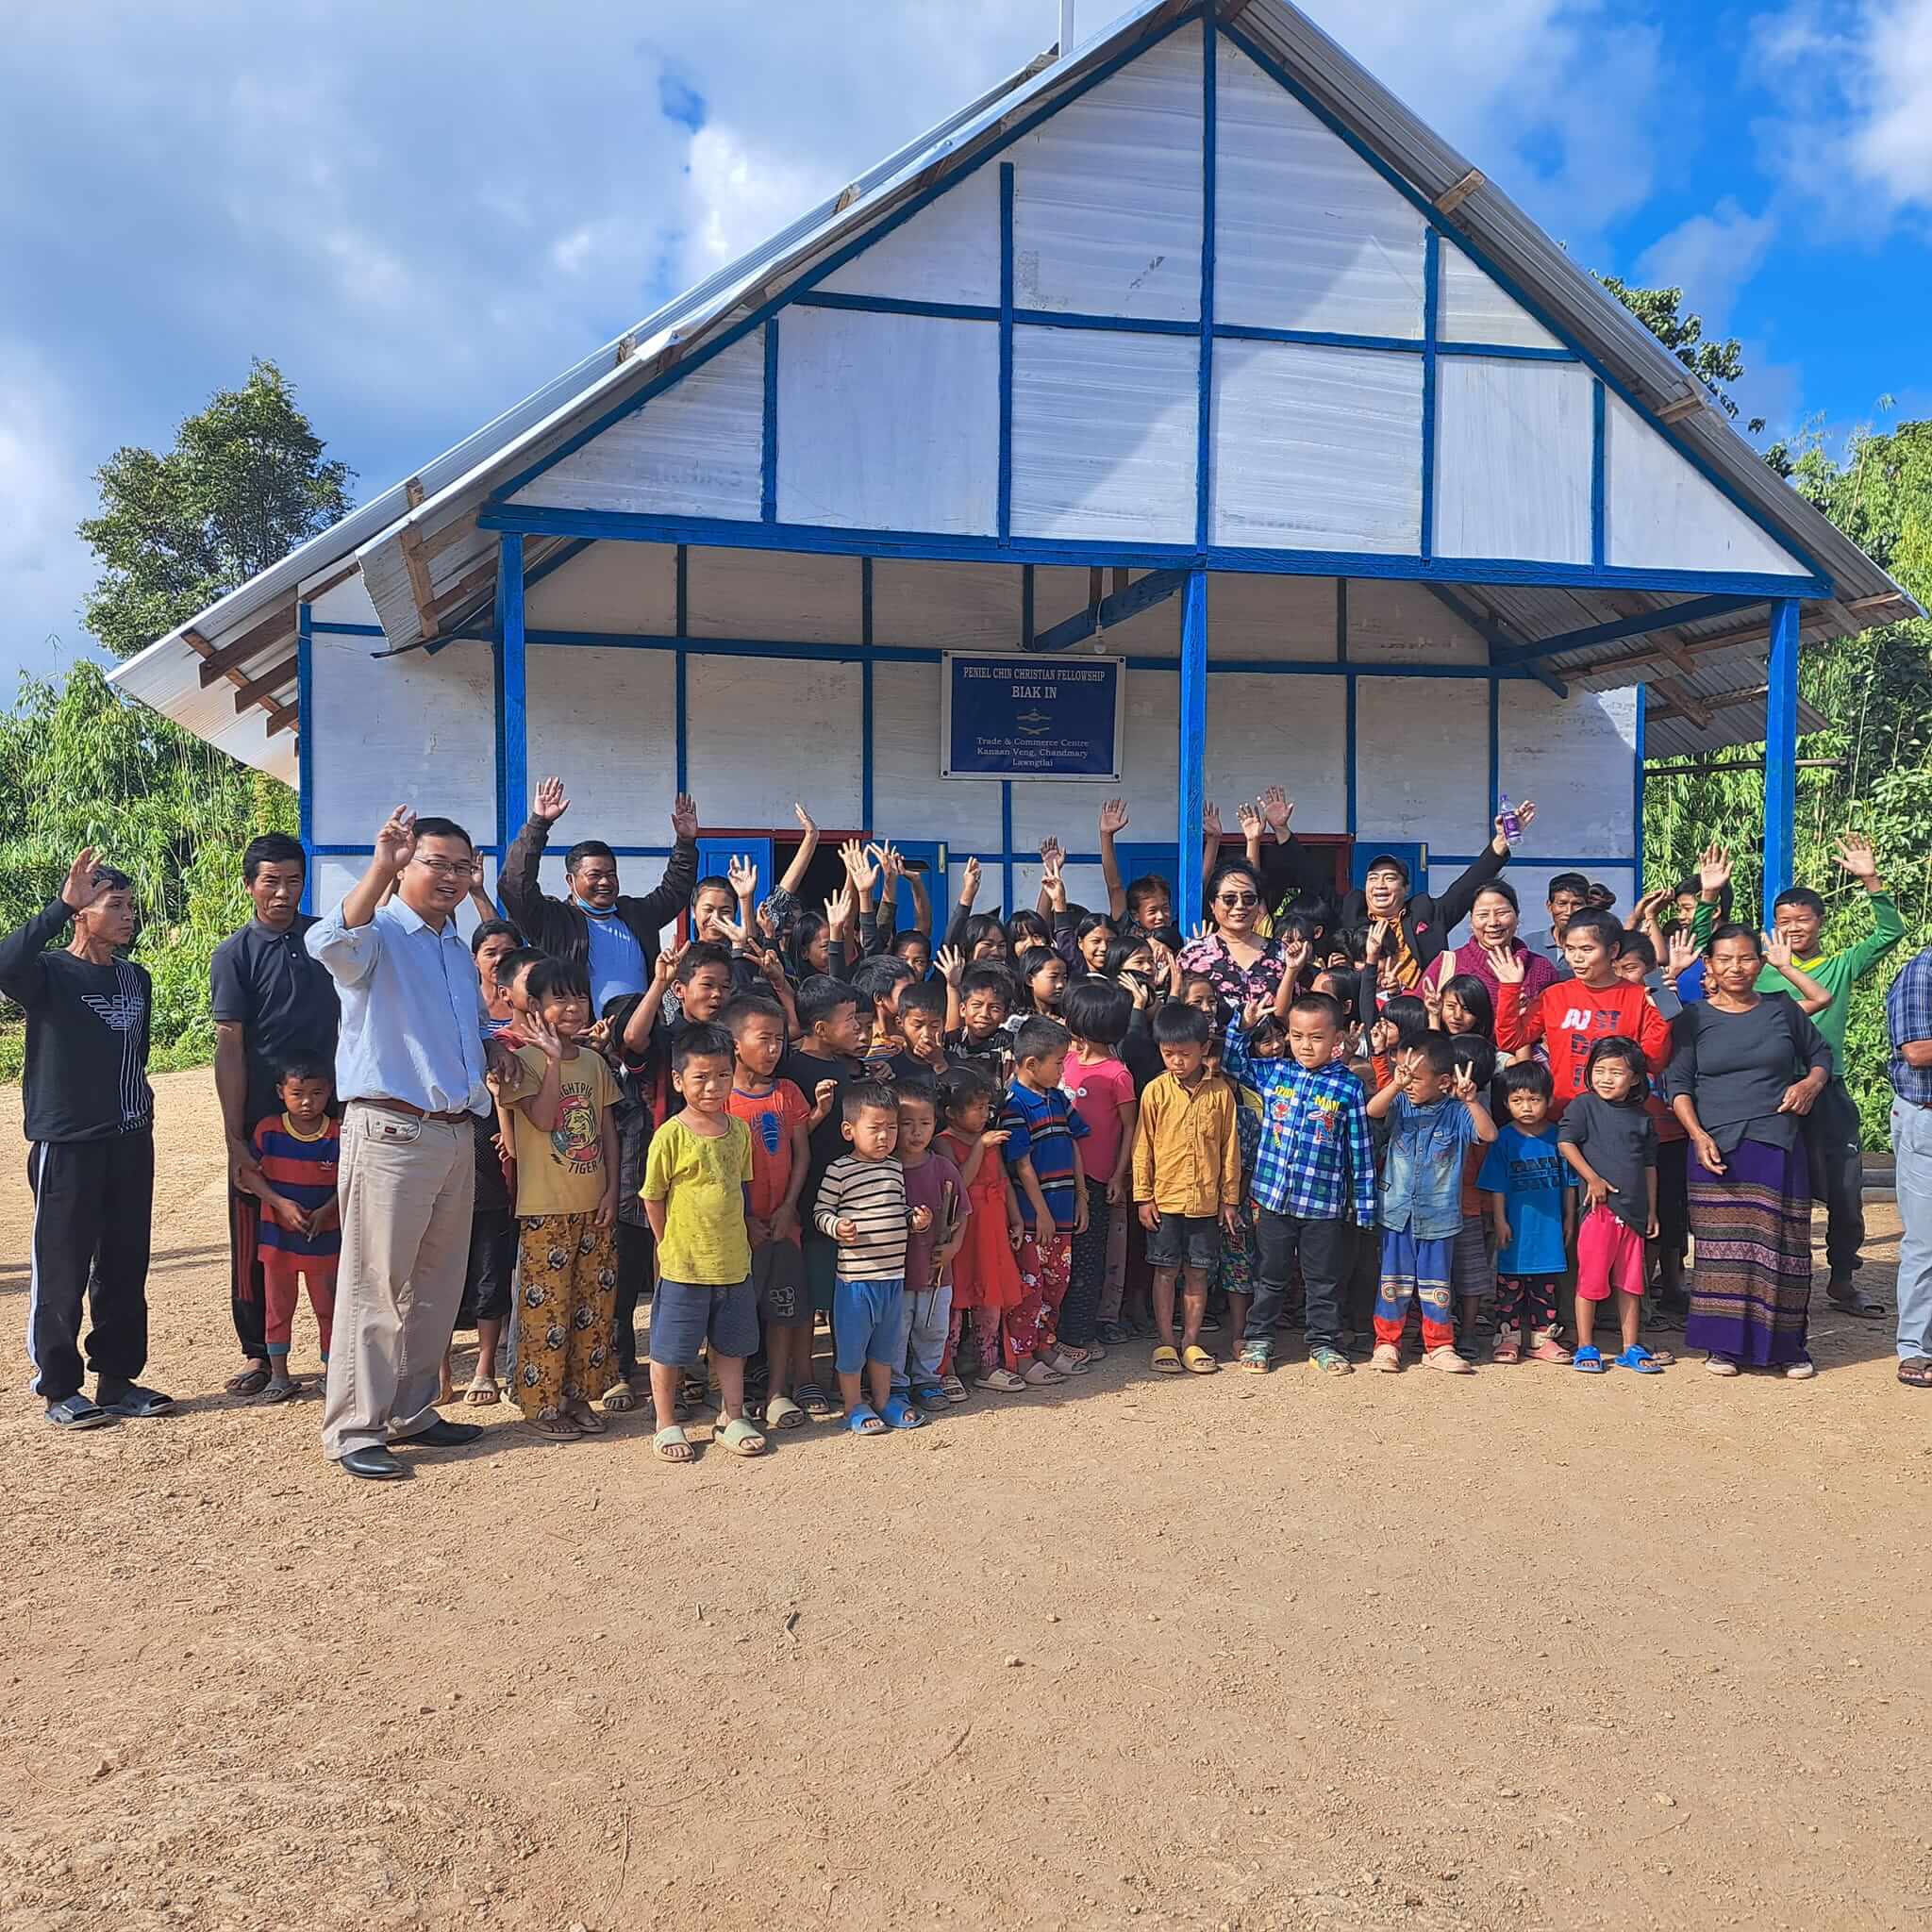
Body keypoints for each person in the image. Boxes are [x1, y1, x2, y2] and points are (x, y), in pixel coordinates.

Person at [306, 808, 513, 1481]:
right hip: (391, 1132)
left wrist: (488, 1047)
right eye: (436, 862)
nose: (451, 876)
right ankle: (355, 1428)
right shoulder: (379, 935)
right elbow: (331, 941)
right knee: (375, 1287)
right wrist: (378, 868)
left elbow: (472, 1022)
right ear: (406, 864)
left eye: (462, 866)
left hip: (455, 1132)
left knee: (435, 1285)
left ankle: (413, 1409)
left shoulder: (456, 946)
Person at [0, 850, 166, 1429]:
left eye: (130, 906)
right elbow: (5, 963)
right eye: (112, 906)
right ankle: (60, 1386)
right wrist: (59, 904)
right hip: (66, 1143)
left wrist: (136, 1112)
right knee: (63, 1266)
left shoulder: (134, 978)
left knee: (124, 1264)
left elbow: (135, 1054)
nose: (127, 916)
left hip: (128, 1140)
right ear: (80, 914)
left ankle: (118, 1379)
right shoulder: (48, 973)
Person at [1666, 924, 1833, 1379]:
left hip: (1777, 1141)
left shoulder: (1782, 1010)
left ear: (1759, 963)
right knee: (1722, 1249)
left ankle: (1787, 1347)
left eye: (1744, 959)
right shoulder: (1692, 1017)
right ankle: (1725, 1347)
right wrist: (1697, 1134)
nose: (1735, 968)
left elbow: (1821, 1054)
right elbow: (1678, 1085)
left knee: (1783, 1247)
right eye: (1725, 959)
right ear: (1710, 966)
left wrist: (1810, 1084)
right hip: (1715, 1146)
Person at [210, 831, 341, 1399]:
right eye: (272, 881)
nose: (283, 892)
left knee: (341, 1221)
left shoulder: (324, 939)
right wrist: (235, 1138)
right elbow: (230, 1045)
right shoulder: (234, 954)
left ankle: (344, 1348)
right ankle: (261, 1354)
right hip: (265, 1117)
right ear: (249, 886)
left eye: (293, 880)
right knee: (257, 1235)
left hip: (332, 1106)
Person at [1760, 833, 1906, 1317]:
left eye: (1803, 919)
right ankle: (1788, 1281)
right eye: (1784, 921)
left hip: (1829, 1091)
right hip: (1772, 1093)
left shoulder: (1840, 965)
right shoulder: (1758, 972)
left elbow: (1889, 933)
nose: (1794, 927)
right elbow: (1703, 958)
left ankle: (1842, 1278)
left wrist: (1870, 879)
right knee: (1780, 1191)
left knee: (1845, 1190)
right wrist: (1709, 902)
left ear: (1820, 922)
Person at [1224, 978, 1377, 1377]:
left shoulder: (1348, 1086)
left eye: (1316, 1037)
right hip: (1274, 1199)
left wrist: (1363, 1205)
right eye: (1296, 1036)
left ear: (1338, 1039)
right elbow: (1232, 1061)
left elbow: (1359, 1149)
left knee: (1322, 1280)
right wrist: (1243, 1025)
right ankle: (1260, 1338)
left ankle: (1323, 1343)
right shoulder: (1276, 1073)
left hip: (1323, 1205)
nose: (1305, 1045)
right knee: (1270, 1276)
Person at [497, 958, 621, 1441]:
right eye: (559, 999)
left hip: (594, 1204)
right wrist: (550, 1059)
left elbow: (607, 1129)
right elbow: (546, 1120)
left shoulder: (593, 1062)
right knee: (545, 1307)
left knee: (592, 1307)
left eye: (579, 997)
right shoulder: (520, 1061)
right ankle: (541, 1406)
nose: (572, 1008)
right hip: (545, 1208)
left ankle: (579, 1396)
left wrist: (611, 1187)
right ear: (536, 1007)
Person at [640, 1024, 767, 1462]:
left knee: (731, 1347)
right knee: (670, 1349)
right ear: (678, 1080)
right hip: (685, 1264)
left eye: (722, 1076)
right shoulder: (670, 1136)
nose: (713, 1086)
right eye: (700, 1077)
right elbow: (653, 1197)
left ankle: (731, 1417)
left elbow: (742, 1188)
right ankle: (665, 1422)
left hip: (734, 1262)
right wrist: (664, 1244)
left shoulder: (738, 1132)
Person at [500, 775, 700, 1008]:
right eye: (594, 875)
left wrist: (685, 843)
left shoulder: (635, 914)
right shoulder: (553, 920)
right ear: (570, 881)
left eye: (611, 874)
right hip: (580, 1036)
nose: (605, 882)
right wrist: (538, 825)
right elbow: (515, 886)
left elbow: (675, 890)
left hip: (641, 1036)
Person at [1366, 1034, 1497, 1374]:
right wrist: (1396, 1084)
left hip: (1439, 1215)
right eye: (1404, 1074)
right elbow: (1373, 1109)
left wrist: (1471, 1101)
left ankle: (1439, 1345)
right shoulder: (1401, 1102)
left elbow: (1488, 1134)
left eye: (1416, 1079)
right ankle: (1386, 1343)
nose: (1409, 1084)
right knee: (1392, 1281)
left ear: (1444, 1082)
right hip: (1397, 1212)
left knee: (1435, 1283)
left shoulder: (1457, 1113)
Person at [723, 995, 821, 1431]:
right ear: (735, 1042)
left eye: (780, 1040)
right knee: (736, 1315)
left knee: (785, 1310)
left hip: (784, 1224)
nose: (774, 1049)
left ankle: (779, 1392)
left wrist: (787, 1209)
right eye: (764, 1039)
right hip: (736, 1229)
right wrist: (743, 1218)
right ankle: (734, 1400)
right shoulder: (721, 1098)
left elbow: (802, 1155)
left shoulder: (788, 1093)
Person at [814, 1081, 933, 1435]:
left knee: (885, 1348)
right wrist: (837, 1226)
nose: (885, 1137)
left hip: (892, 1278)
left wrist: (915, 1220)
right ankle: (853, 1405)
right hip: (855, 1281)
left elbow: (897, 1209)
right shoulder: (840, 1170)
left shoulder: (894, 1168)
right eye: (876, 1128)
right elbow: (820, 1211)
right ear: (849, 1131)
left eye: (891, 1128)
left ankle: (883, 1401)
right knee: (852, 1349)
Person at [777, 975, 870, 1416]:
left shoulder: (847, 1067)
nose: (858, 1027)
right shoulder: (794, 1071)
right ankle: (804, 1378)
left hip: (848, 1199)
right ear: (819, 1029)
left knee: (843, 1292)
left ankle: (844, 1371)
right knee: (808, 1294)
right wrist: (817, 1114)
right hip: (809, 1199)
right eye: (849, 1020)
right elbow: (792, 1141)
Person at [1133, 1002, 1241, 1376]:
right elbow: (1142, 1146)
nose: (1176, 1061)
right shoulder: (1154, 1092)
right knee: (1164, 1271)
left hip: (1206, 1203)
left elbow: (1230, 1148)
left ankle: (1191, 1341)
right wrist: (1143, 1196)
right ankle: (1165, 1341)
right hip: (1165, 1200)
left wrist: (1230, 1199)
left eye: (1185, 1053)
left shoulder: (1221, 1093)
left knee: (1198, 1273)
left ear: (1203, 1049)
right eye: (1168, 1054)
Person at [1490, 909, 1672, 1114]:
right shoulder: (1554, 995)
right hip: (1563, 1114)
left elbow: (1653, 1063)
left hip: (1619, 1118)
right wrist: (1509, 989)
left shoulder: (1640, 997)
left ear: (1612, 951)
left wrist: (1662, 1014)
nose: (1576, 958)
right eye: (1570, 949)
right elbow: (1510, 1040)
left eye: (1587, 949)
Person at [1557, 1037, 1665, 1375]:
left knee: (1631, 1283)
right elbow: (1565, 1143)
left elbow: (1649, 1166)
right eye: (1599, 1070)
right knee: (1590, 1280)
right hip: (1598, 1211)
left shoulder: (1642, 1118)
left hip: (1633, 1214)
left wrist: (1651, 1210)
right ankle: (1585, 1345)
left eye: (1616, 1072)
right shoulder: (1583, 1107)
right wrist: (1592, 1179)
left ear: (1635, 1078)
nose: (1606, 1078)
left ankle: (1630, 1347)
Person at [1340, 806, 1536, 991]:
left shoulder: (1425, 913)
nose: (1380, 884)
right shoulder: (1353, 921)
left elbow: (1466, 887)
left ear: (1405, 888)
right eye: (1373, 879)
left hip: (1423, 1010)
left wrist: (1501, 841)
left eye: (1389, 878)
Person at [242, 1056, 342, 1403]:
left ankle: (333, 1374)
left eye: (316, 1093)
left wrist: (328, 1211)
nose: (306, 1102)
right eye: (297, 1093)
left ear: (330, 1092)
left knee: (328, 1307)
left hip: (325, 1237)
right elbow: (249, 1176)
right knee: (278, 1306)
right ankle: (280, 1375)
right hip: (278, 1238)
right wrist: (280, 1203)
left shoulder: (337, 1133)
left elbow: (349, 1182)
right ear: (280, 1093)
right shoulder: (268, 1131)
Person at [1001, 1016, 1093, 1382]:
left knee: (1057, 1283)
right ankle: (1022, 1357)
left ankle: (1045, 1345)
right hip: (1034, 1218)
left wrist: (1082, 1198)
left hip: (1063, 1211)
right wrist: (1040, 1213)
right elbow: (1021, 1165)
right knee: (1030, 1287)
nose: (1063, 1069)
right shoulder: (1014, 1104)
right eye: (1059, 1062)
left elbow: (1074, 1143)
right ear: (1031, 1064)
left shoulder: (1057, 1098)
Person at [1478, 1062, 1576, 1364]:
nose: (1527, 1107)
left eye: (1534, 1099)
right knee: (1510, 1283)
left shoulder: (1559, 1137)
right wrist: (1499, 1220)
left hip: (1549, 1226)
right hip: (1516, 1226)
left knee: (1544, 1285)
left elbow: (1569, 1183)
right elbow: (1497, 1185)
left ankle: (1542, 1337)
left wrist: (1571, 1218)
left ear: (1548, 1100)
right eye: (1518, 1100)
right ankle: (1508, 1338)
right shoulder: (1504, 1138)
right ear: (1506, 1103)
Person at [936, 1067, 1025, 1395]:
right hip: (964, 1231)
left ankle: (989, 1365)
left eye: (988, 1107)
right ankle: (946, 1369)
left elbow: (1003, 1180)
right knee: (956, 1300)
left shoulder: (991, 1140)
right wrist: (979, 1147)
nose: (985, 1115)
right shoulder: (943, 1142)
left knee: (990, 1297)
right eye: (976, 1108)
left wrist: (1015, 1219)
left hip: (991, 1229)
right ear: (951, 1113)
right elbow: (959, 1182)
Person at [1062, 980, 1140, 1348]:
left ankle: (1081, 1333)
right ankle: (1060, 1330)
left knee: (1090, 1258)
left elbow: (1129, 1128)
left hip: (1096, 1178)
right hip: (1060, 1175)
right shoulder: (1064, 1061)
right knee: (1064, 1257)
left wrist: (1118, 1175)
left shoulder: (1117, 1073)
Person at [891, 1082, 969, 1412]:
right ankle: (894, 1384)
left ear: (934, 1124)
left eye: (924, 1124)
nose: (915, 1132)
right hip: (895, 1271)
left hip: (937, 1271)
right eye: (906, 1124)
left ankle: (927, 1380)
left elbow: (963, 1212)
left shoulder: (942, 1168)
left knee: (933, 1328)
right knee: (895, 1330)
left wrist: (954, 1246)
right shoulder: (885, 1168)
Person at [1885, 940, 1932, 1389]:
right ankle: (1916, 1349)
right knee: (1926, 1240)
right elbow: (1916, 1050)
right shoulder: (1922, 973)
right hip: (1926, 1118)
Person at [1420, 881, 1559, 1013]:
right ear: (1471, 920)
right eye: (1483, 915)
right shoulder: (1449, 964)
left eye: (1502, 913)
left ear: (1517, 916)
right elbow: (1413, 1012)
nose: (1493, 922)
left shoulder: (1541, 968)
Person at [1176, 859, 1287, 1013]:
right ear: (1212, 905)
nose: (1240, 905)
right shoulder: (1192, 955)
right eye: (1229, 899)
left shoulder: (1282, 954)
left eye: (1249, 899)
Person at [1519, 872, 1591, 976]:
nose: (1569, 911)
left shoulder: (1595, 946)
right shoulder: (1529, 944)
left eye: (1577, 904)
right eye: (1562, 903)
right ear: (1549, 906)